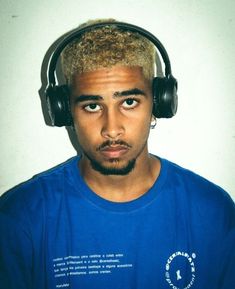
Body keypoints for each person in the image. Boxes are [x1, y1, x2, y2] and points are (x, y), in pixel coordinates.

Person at [0, 19, 234, 289]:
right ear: (65, 111)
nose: (111, 129)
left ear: (159, 103)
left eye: (129, 102)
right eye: (91, 106)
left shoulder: (213, 212)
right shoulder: (21, 219)